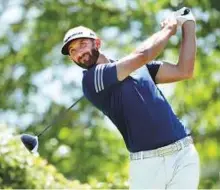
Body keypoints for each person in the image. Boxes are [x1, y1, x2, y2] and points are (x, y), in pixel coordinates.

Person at [61, 7, 199, 189]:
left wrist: (188, 23)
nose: (78, 53)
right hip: (147, 165)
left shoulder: (138, 67)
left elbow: (184, 71)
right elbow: (142, 55)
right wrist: (168, 29)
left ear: (97, 43)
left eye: (82, 44)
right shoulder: (91, 79)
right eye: (72, 51)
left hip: (183, 153)